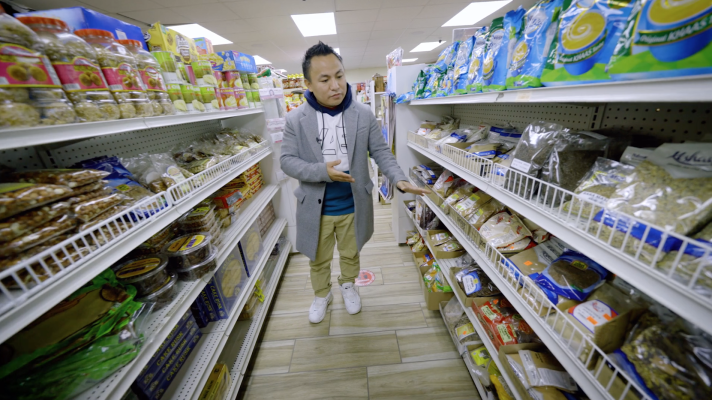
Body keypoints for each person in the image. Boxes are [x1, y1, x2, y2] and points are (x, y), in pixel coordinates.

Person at [280, 42, 429, 324]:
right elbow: (287, 161)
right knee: (318, 258)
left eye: (339, 75)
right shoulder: (295, 120)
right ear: (308, 84)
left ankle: (348, 285)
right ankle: (322, 294)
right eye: (325, 79)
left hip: (353, 203)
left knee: (350, 253)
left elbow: (381, 152)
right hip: (316, 207)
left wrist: (399, 179)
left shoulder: (363, 114)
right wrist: (322, 171)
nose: (335, 85)